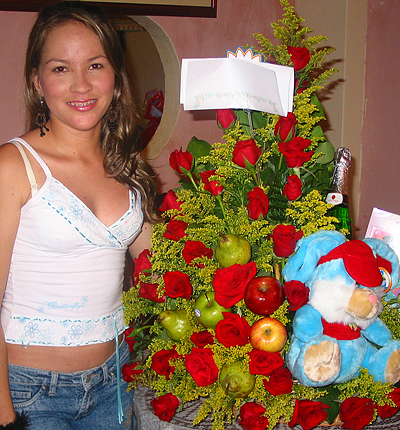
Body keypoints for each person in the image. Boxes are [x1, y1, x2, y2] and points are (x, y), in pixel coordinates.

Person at [0, 1, 159, 428]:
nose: (82, 86)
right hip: (30, 393)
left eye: (95, 65)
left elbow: (162, 271)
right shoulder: (13, 166)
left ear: (115, 76)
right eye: (60, 69)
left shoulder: (128, 165)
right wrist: (3, 415)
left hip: (116, 382)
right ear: (37, 79)